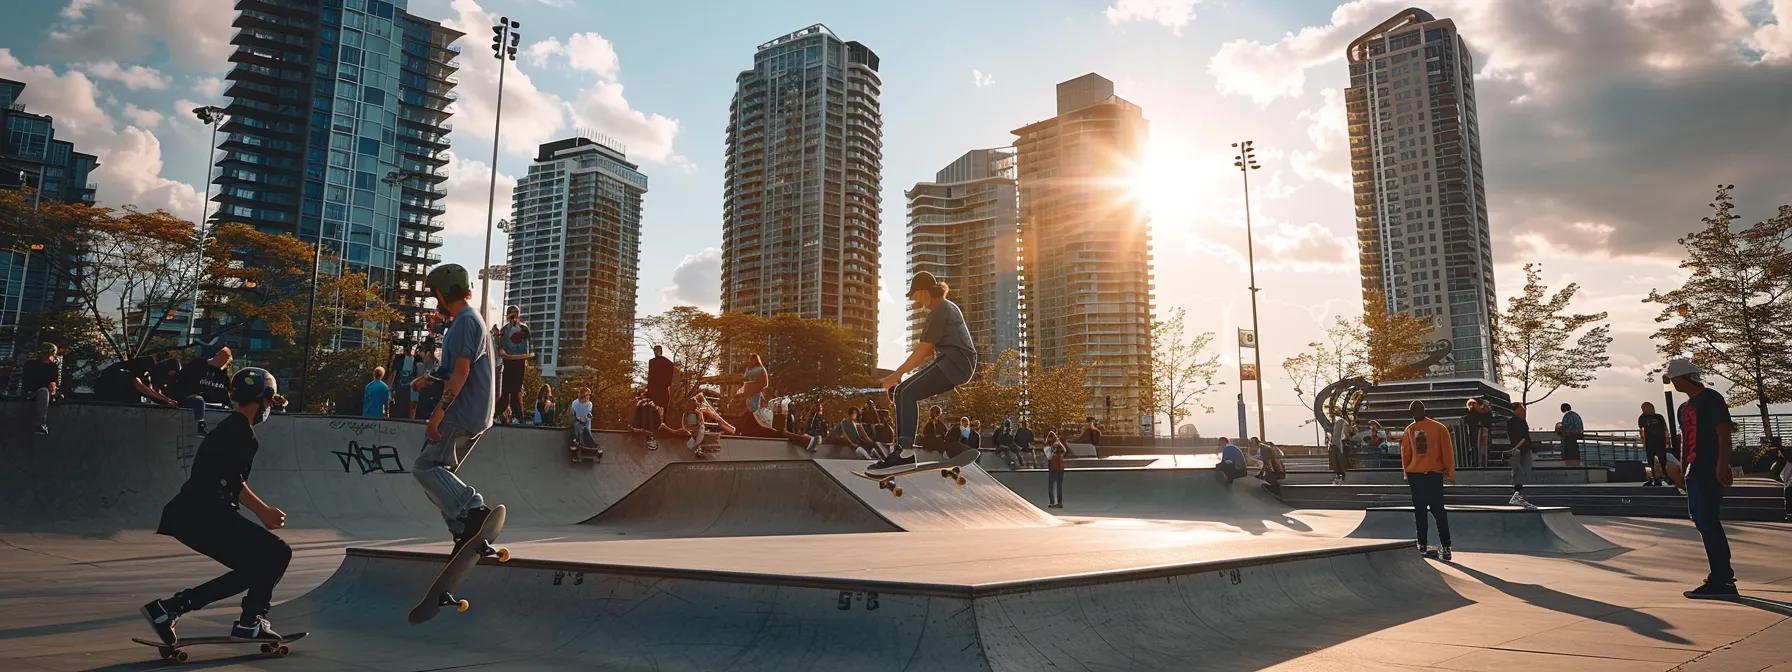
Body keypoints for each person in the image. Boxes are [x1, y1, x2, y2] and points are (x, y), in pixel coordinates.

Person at [139, 368, 292, 645]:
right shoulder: (242, 432)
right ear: (264, 399)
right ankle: (250, 622)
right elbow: (233, 479)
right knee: (278, 552)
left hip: (191, 514)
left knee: (258, 567)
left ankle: (169, 609)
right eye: (269, 402)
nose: (269, 409)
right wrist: (264, 512)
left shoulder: (230, 427)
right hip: (204, 514)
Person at [407, 264, 497, 555]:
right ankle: (465, 534)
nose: (436, 304)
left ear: (442, 294)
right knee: (440, 480)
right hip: (477, 413)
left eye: (435, 297)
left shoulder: (463, 322)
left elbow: (460, 373)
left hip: (461, 412)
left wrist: (437, 417)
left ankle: (474, 511)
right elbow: (451, 369)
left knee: (425, 468)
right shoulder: (474, 320)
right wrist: (428, 377)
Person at [871, 271, 978, 474]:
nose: (915, 301)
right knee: (902, 391)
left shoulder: (941, 310)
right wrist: (899, 378)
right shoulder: (943, 309)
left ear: (924, 292)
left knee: (906, 392)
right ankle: (902, 450)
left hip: (956, 363)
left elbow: (923, 350)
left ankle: (905, 453)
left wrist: (894, 375)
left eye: (916, 296)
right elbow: (928, 351)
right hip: (952, 363)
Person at [1665, 358, 1738, 599]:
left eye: (1674, 379)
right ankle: (1721, 576)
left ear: (1684, 377)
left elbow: (1723, 433)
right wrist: (1683, 468)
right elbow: (1685, 440)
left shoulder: (1711, 399)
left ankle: (1722, 579)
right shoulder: (1683, 408)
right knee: (1701, 520)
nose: (1673, 383)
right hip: (1694, 471)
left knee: (1707, 520)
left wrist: (1722, 465)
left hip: (1709, 468)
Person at [1401, 400, 1455, 561]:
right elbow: (1447, 452)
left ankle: (1424, 544)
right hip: (1432, 475)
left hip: (1418, 475)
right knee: (1437, 511)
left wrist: (1407, 473)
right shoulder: (1438, 428)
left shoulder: (1410, 429)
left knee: (1421, 511)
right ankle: (1444, 547)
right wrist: (1449, 473)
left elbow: (1406, 455)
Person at [177, 346, 233, 435]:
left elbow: (225, 392)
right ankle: (201, 425)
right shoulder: (197, 364)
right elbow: (180, 380)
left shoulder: (222, 374)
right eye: (224, 361)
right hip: (190, 399)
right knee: (198, 401)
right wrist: (186, 394)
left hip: (210, 405)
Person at [97, 351, 179, 406]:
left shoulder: (154, 378)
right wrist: (164, 398)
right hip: (108, 382)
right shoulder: (146, 363)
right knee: (134, 381)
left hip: (120, 394)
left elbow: (154, 392)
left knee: (139, 395)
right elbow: (138, 384)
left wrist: (167, 401)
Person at [494, 305, 532, 425]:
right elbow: (500, 346)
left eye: (514, 313)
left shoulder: (523, 328)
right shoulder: (504, 329)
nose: (512, 316)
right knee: (505, 391)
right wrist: (496, 335)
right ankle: (497, 414)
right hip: (508, 362)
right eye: (510, 313)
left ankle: (518, 417)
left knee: (515, 391)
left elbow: (526, 346)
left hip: (518, 362)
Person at [22, 343, 61, 436]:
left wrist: (53, 387)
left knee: (46, 391)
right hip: (32, 391)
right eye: (47, 355)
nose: (48, 358)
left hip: (46, 392)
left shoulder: (53, 367)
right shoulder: (31, 364)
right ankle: (40, 424)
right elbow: (27, 381)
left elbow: (54, 381)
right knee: (43, 391)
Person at [1507, 403, 1536, 508]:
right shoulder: (1516, 421)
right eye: (1522, 409)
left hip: (1519, 449)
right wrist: (1516, 448)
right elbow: (1523, 437)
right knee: (1521, 472)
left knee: (1520, 472)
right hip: (1521, 449)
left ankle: (1518, 495)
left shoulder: (1514, 421)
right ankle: (1516, 496)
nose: (1524, 412)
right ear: (1516, 410)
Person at [1638, 401, 1672, 486]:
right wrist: (1643, 441)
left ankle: (1666, 476)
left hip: (1660, 441)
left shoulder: (1659, 417)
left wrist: (1667, 439)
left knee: (1662, 459)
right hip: (1650, 442)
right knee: (1651, 461)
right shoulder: (1642, 418)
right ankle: (1653, 478)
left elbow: (1665, 428)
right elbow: (1641, 430)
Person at [388, 343, 420, 420]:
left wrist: (389, 388)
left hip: (400, 388)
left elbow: (394, 374)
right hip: (409, 389)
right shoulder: (415, 361)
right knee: (406, 409)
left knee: (399, 408)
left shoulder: (399, 360)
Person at [413, 340, 442, 416]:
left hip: (430, 400)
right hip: (424, 398)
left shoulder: (434, 366)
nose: (419, 353)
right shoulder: (425, 365)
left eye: (421, 351)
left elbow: (416, 385)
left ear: (428, 353)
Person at [1463, 399, 1492, 468]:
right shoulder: (1477, 414)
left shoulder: (1469, 415)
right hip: (1477, 437)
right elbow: (1488, 412)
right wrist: (1486, 404)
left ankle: (1476, 463)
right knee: (1479, 452)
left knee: (1475, 451)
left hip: (1473, 437)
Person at [739, 353, 769, 419]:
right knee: (748, 407)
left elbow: (765, 382)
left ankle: (755, 421)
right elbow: (745, 378)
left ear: (757, 360)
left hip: (756, 391)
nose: (752, 361)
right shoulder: (748, 369)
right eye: (751, 360)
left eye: (754, 360)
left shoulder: (761, 369)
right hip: (748, 391)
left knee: (755, 408)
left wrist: (758, 387)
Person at [646, 345, 675, 412]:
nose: (656, 352)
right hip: (654, 388)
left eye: (657, 350)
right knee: (653, 407)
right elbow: (650, 375)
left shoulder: (666, 362)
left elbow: (671, 371)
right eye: (655, 350)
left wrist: (668, 383)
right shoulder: (652, 362)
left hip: (662, 387)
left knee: (664, 406)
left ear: (660, 351)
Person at [1044, 431, 1068, 508]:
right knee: (1055, 486)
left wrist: (1058, 443)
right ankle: (1056, 502)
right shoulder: (1053, 447)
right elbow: (1064, 451)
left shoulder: (1054, 447)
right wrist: (1056, 444)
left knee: (1055, 486)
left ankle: (1055, 502)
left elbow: (1064, 451)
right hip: (1057, 468)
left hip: (1056, 468)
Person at [1557, 402, 1584, 467]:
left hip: (1569, 438)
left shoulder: (1567, 416)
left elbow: (1564, 428)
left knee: (1569, 455)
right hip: (1577, 437)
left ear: (1565, 408)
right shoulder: (1576, 415)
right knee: (1575, 455)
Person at [1328, 415, 1351, 485]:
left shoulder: (1340, 422)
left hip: (1335, 445)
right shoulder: (1342, 422)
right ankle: (1340, 475)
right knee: (1339, 460)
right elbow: (1344, 435)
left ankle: (1339, 475)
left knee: (1338, 461)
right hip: (1337, 445)